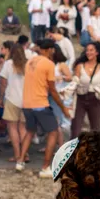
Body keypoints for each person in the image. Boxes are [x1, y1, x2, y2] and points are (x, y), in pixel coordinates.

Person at [22, 39, 71, 176]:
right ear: (50, 50)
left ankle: (20, 161)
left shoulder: (30, 61)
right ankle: (45, 167)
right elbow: (53, 90)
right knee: (54, 131)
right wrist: (63, 108)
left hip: (27, 102)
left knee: (30, 131)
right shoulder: (49, 64)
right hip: (41, 103)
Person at [70, 42, 100, 138]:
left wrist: (99, 91)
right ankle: (73, 151)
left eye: (91, 50)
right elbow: (74, 82)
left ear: (97, 52)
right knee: (76, 128)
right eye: (87, 50)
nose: (88, 52)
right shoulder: (80, 66)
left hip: (94, 99)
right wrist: (67, 91)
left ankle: (95, 151)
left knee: (96, 128)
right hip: (81, 98)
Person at [0, 43, 29, 171]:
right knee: (23, 128)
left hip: (12, 99)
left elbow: (3, 82)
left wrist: (1, 98)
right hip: (27, 100)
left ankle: (17, 155)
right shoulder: (28, 65)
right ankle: (25, 155)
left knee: (12, 128)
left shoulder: (8, 64)